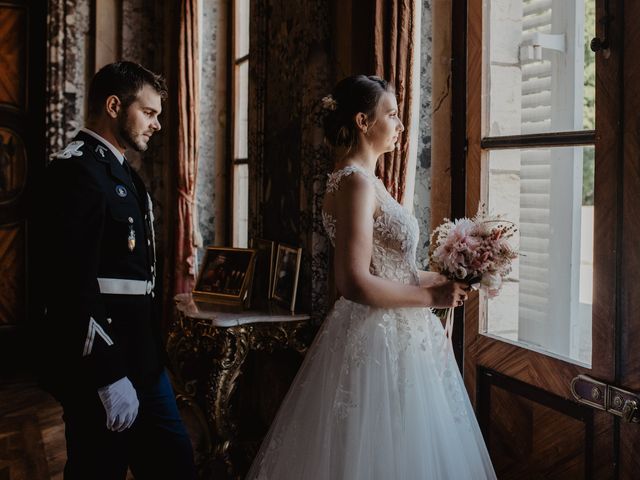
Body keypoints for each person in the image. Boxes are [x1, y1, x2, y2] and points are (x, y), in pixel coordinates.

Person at [246, 75, 496, 479]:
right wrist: (433, 299)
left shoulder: (365, 181)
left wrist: (441, 277)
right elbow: (354, 282)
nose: (400, 125)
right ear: (363, 122)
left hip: (397, 330)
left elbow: (389, 267)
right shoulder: (355, 184)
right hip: (378, 336)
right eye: (392, 115)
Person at [34, 61, 196, 480]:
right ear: (113, 105)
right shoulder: (75, 171)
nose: (157, 124)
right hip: (99, 366)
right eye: (150, 112)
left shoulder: (119, 170)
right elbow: (69, 285)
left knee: (174, 464)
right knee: (97, 470)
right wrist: (108, 375)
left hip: (142, 359)